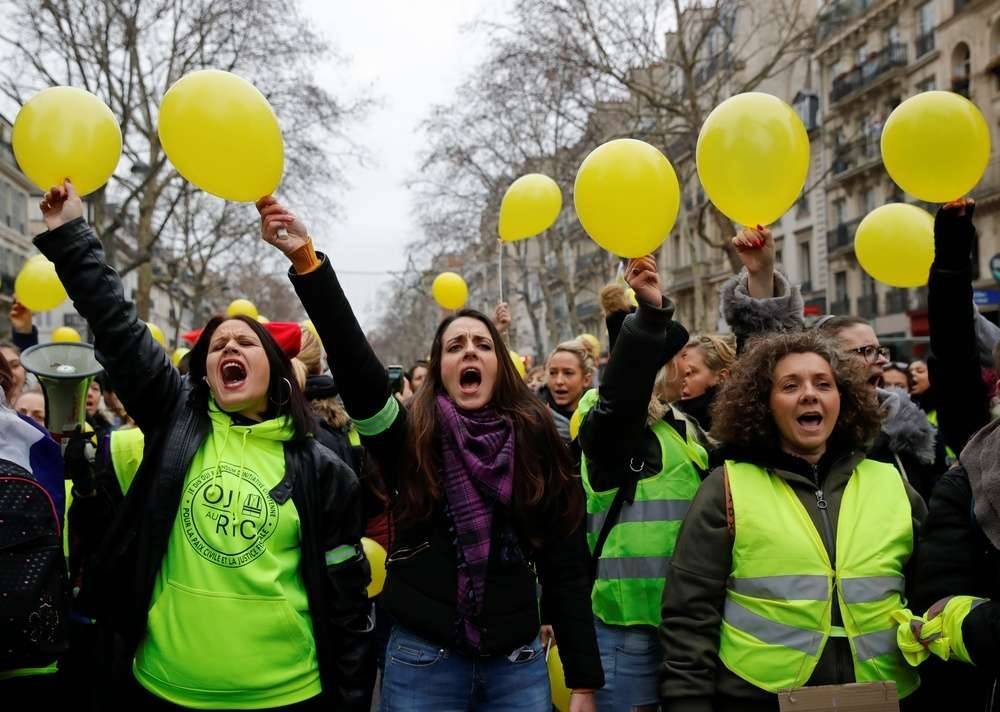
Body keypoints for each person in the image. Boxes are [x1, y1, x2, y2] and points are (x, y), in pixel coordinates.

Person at [34, 180, 374, 710]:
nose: (230, 347)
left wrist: (351, 699)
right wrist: (71, 234)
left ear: (278, 370)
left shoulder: (326, 470)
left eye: (245, 342)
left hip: (287, 695)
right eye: (218, 345)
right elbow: (119, 328)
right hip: (164, 688)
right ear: (208, 373)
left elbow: (347, 607)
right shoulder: (177, 422)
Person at [256, 195, 603, 711]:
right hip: (423, 661)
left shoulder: (539, 444)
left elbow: (566, 566)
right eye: (455, 345)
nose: (469, 351)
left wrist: (582, 682)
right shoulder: (408, 438)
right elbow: (356, 364)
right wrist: (308, 262)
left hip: (516, 664)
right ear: (439, 368)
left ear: (500, 366)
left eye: (482, 345)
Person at [659, 330, 927, 711]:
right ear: (763, 404)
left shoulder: (892, 484)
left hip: (886, 696)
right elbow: (688, 620)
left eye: (823, 384)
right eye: (790, 385)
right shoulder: (727, 488)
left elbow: (931, 597)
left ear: (843, 400)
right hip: (758, 697)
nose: (809, 394)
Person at [722, 226, 945, 502]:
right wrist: (761, 274)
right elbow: (763, 355)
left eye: (879, 350)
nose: (882, 360)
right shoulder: (813, 438)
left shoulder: (911, 432)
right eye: (865, 351)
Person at [577, 255, 707, 712]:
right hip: (627, 635)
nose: (688, 365)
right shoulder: (605, 419)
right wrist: (649, 315)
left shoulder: (683, 426)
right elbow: (620, 398)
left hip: (689, 630)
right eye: (679, 357)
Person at [678, 334, 736, 433]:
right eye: (678, 371)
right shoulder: (666, 419)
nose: (680, 380)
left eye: (689, 372)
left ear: (721, 377)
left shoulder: (736, 426)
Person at [541, 339, 595, 443]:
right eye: (553, 373)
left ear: (586, 380)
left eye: (568, 373)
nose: (559, 381)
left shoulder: (600, 418)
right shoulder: (531, 421)